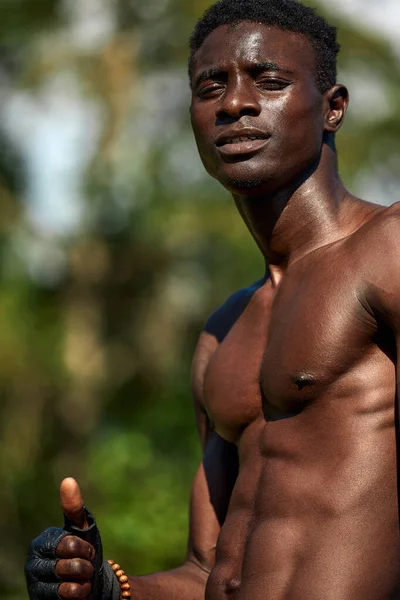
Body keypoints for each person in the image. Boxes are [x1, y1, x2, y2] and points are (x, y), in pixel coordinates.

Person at [25, 0, 400, 598]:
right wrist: (107, 588)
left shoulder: (388, 248)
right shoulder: (221, 331)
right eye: (210, 88)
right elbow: (205, 572)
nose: (234, 104)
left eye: (270, 82)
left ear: (333, 108)